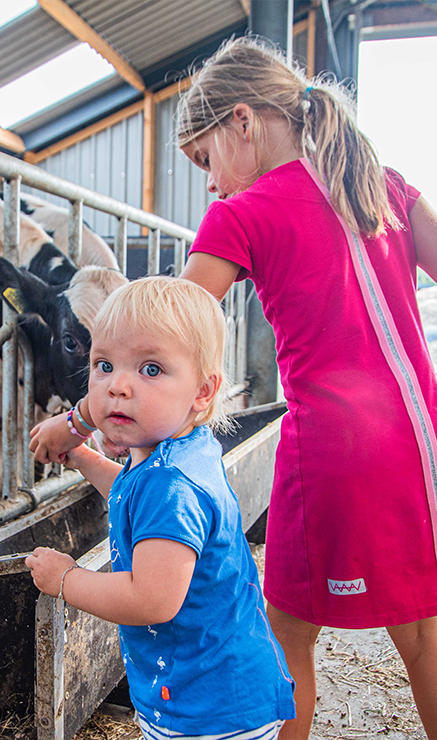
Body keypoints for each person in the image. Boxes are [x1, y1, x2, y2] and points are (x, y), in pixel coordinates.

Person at [29, 37, 437, 739]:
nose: (211, 185)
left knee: (285, 633)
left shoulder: (244, 213)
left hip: (334, 448)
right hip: (420, 435)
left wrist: (79, 422)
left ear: (242, 122)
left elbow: (155, 342)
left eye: (206, 160)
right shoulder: (383, 182)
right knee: (424, 631)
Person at [26, 276, 296, 740]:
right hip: (215, 689)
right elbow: (135, 496)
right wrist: (85, 457)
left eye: (150, 369)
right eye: (104, 364)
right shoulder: (178, 448)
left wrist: (67, 580)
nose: (118, 387)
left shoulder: (172, 486)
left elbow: (151, 599)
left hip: (208, 710)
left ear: (203, 392)